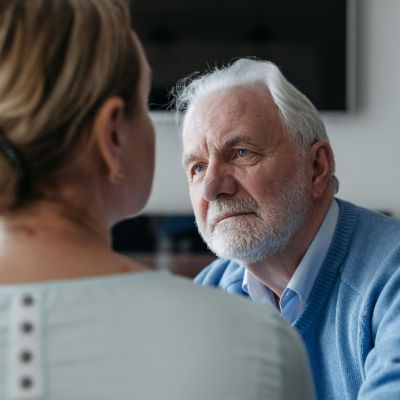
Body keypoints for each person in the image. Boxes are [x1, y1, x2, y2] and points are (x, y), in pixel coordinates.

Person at [0, 1, 316, 399]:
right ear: (112, 135)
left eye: (241, 153)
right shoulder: (253, 343)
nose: (212, 184)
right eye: (146, 105)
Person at [175, 58, 400, 400]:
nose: (211, 188)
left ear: (316, 167)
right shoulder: (210, 294)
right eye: (198, 167)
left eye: (240, 152)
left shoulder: (390, 278)